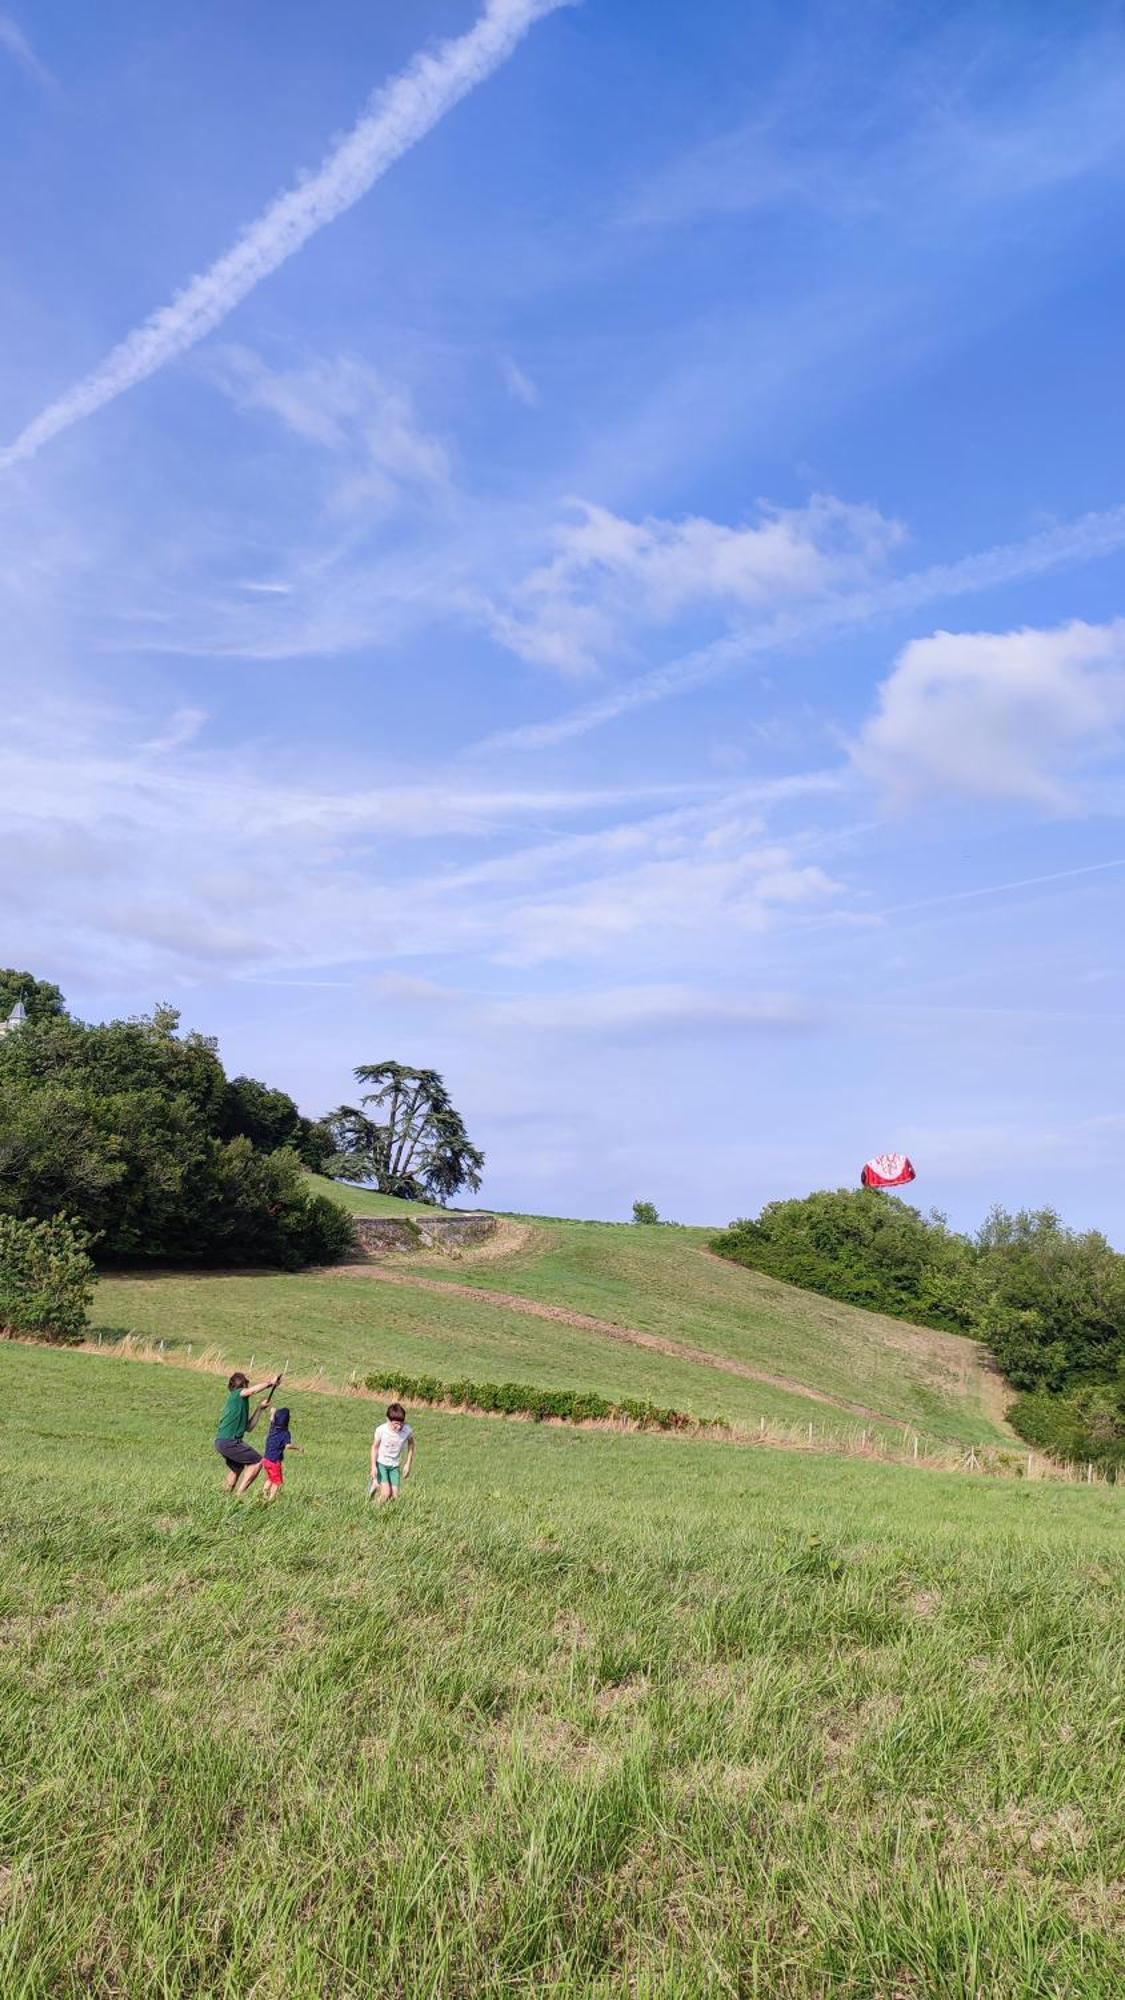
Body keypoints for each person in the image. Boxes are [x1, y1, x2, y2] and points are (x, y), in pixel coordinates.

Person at [214, 1370, 279, 1493]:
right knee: (258, 1461)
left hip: (223, 1442)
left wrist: (259, 1409)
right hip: (229, 1442)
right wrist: (270, 1383)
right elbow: (252, 1391)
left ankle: (222, 1496)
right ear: (243, 1384)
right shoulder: (236, 1395)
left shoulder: (240, 1403)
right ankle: (239, 1495)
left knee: (236, 1469)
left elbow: (249, 1427)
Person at [369, 1402, 415, 1504]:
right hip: (381, 1464)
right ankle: (372, 1509)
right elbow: (375, 1447)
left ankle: (384, 1510)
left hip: (394, 1466)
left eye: (401, 1423)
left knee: (395, 1496)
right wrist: (373, 1466)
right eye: (395, 1424)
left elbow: (411, 1445)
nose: (398, 1427)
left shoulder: (407, 1430)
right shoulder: (381, 1430)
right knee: (386, 1494)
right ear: (388, 1420)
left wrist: (408, 1464)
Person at [260, 1405, 302, 1502]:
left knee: (270, 1478)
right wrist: (298, 1447)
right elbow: (288, 1446)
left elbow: (271, 1419)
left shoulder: (273, 1428)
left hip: (266, 1460)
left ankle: (264, 1494)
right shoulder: (285, 1433)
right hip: (275, 1461)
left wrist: (273, 1412)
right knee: (277, 1482)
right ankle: (270, 1499)